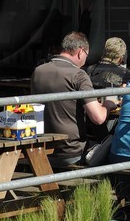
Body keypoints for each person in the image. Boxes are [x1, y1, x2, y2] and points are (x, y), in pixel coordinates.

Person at [31, 32, 110, 169]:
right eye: (87, 54)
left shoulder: (38, 71)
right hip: (71, 151)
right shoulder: (78, 75)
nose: (86, 59)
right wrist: (108, 104)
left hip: (41, 148)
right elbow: (98, 118)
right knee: (113, 144)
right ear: (80, 52)